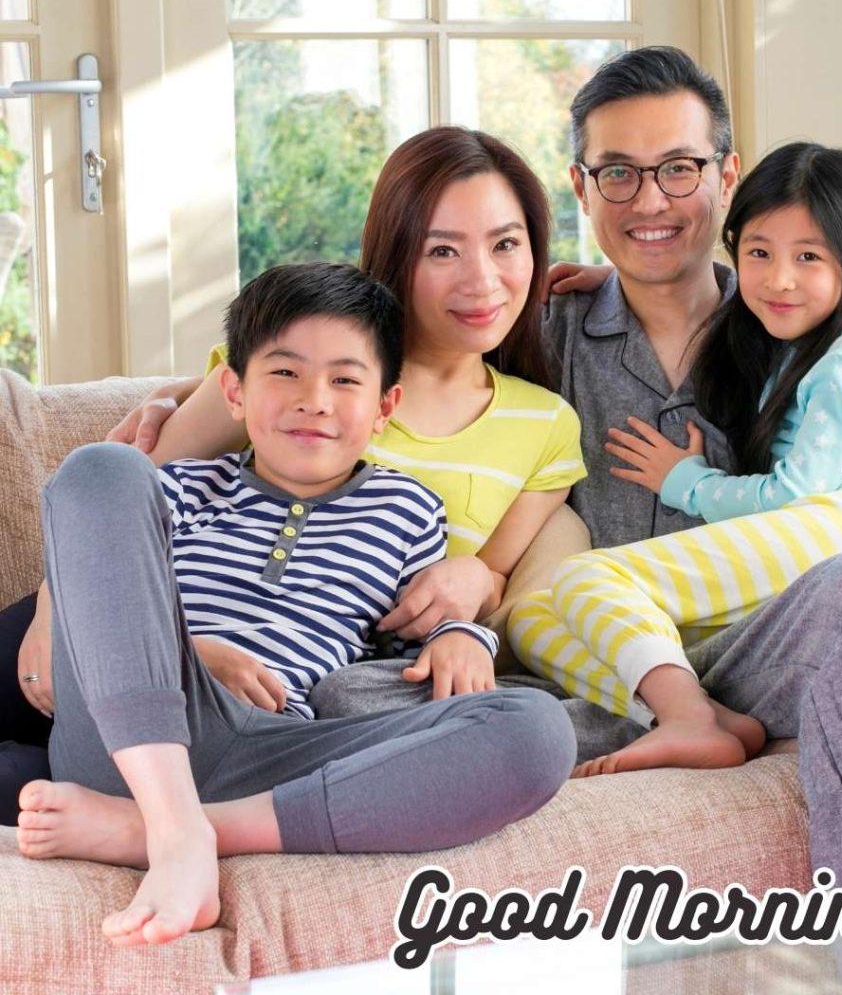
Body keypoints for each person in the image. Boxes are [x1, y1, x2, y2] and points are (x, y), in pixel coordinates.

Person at [40, 47, 842, 887]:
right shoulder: (538, 323)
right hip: (569, 669)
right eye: (619, 173)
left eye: (679, 169)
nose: (650, 201)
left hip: (738, 647)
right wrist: (163, 415)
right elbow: (290, 381)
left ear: (725, 175)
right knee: (381, 683)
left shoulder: (787, 312)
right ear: (583, 185)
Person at [2, 127, 594, 818]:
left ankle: (142, 819)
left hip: (286, 698)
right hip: (123, 637)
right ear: (398, 254)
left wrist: (475, 588)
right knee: (100, 478)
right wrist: (59, 616)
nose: (481, 280)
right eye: (442, 249)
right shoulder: (307, 346)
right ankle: (133, 803)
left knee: (527, 727)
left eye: (506, 244)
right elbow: (118, 511)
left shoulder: (543, 424)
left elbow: (496, 577)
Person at [14, 260, 575, 947]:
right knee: (100, 468)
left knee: (537, 728)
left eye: (345, 380)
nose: (315, 399)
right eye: (284, 373)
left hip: (275, 749)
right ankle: (169, 814)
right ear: (234, 391)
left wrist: (461, 635)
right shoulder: (184, 487)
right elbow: (107, 589)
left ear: (384, 408)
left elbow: (405, 653)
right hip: (130, 736)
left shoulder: (408, 510)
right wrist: (187, 653)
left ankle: (167, 829)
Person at [510, 141, 842, 776]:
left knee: (583, 577)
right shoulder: (783, 330)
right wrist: (618, 285)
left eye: (809, 257)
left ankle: (686, 717)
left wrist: (689, 482)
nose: (779, 278)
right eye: (759, 253)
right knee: (531, 619)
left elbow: (795, 498)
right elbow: (728, 296)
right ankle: (694, 707)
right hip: (811, 544)